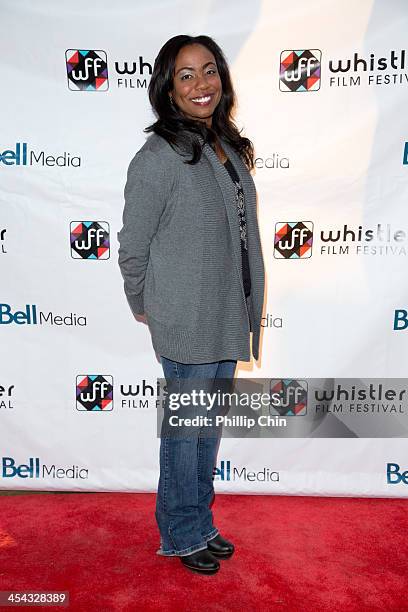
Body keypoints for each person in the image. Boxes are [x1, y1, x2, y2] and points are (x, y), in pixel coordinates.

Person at [117, 34, 265, 574]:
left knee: (206, 427)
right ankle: (179, 533)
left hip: (226, 311)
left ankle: (199, 522)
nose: (201, 84)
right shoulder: (158, 156)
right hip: (185, 315)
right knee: (186, 432)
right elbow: (132, 246)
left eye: (209, 71)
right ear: (168, 89)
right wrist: (143, 300)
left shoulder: (225, 145)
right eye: (186, 75)